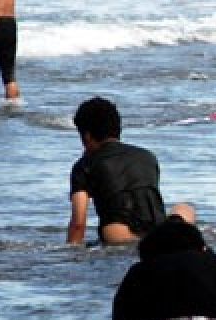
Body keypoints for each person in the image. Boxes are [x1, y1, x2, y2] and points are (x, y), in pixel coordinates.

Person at [68, 97, 193, 245]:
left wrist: (71, 253)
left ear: (87, 136)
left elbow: (78, 224)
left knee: (113, 231)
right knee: (184, 208)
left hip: (121, 233)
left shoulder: (84, 165)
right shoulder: (147, 156)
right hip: (159, 230)